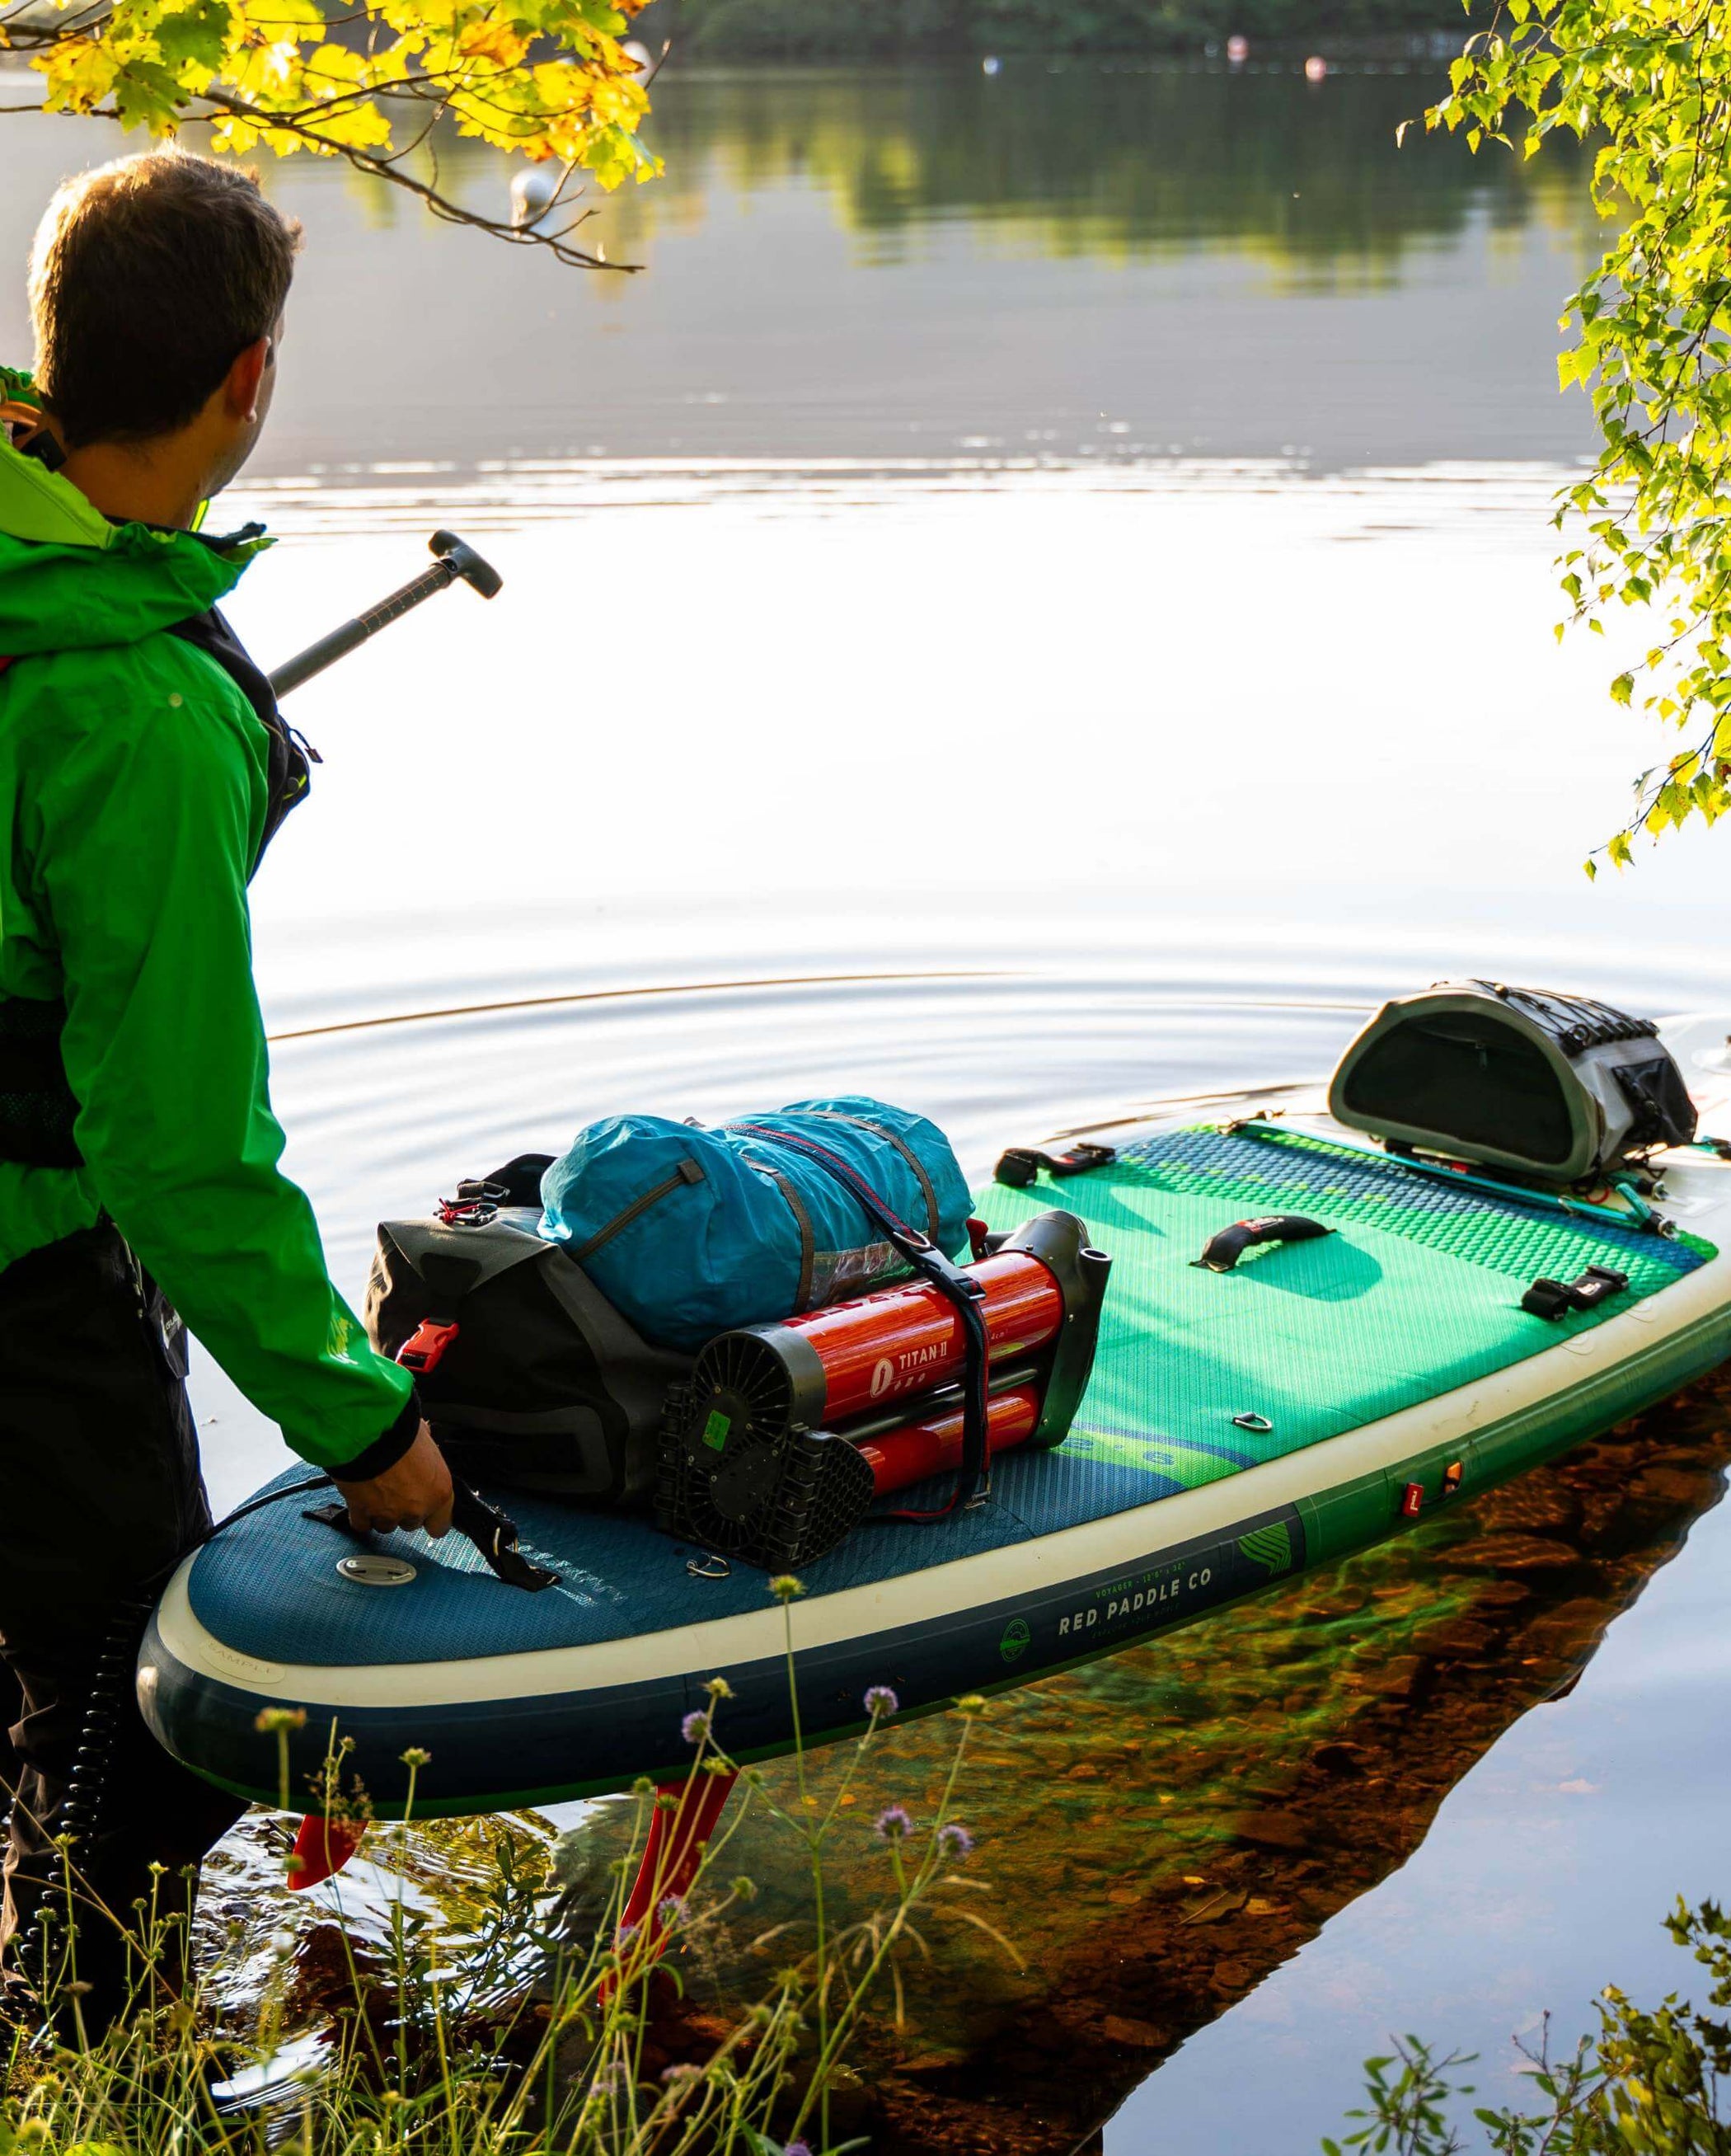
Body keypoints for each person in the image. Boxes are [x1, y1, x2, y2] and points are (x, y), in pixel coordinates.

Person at [0, 149, 456, 2027]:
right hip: (31, 1298)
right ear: (246, 383)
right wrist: (366, 1432)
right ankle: (100, 2078)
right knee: (134, 1748)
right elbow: (182, 1156)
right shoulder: (133, 713)